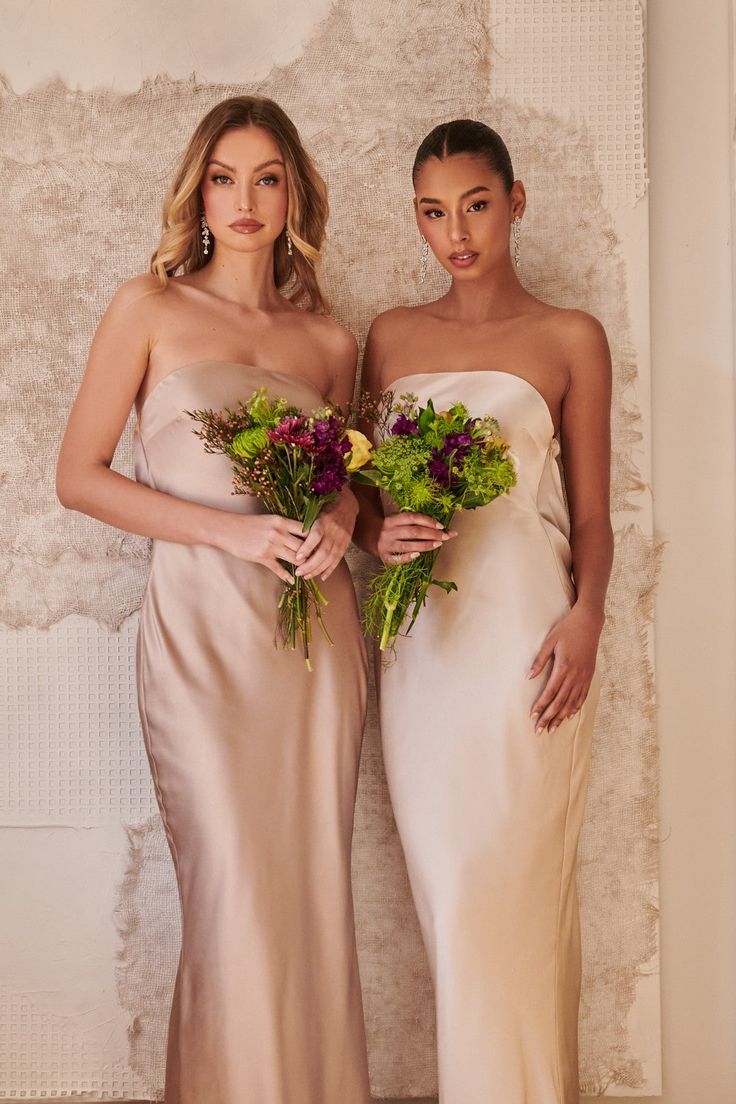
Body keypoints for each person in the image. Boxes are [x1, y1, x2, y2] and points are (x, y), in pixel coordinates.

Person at [56, 95, 371, 1104]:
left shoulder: (327, 339)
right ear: (199, 191)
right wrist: (229, 531)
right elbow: (79, 476)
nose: (244, 199)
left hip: (315, 644)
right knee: (231, 888)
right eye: (226, 177)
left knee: (310, 894)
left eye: (266, 178)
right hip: (200, 636)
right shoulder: (146, 307)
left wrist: (343, 521)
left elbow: (346, 481)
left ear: (293, 197)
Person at [354, 119, 613, 1103]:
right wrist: (380, 531)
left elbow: (590, 513)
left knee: (513, 887)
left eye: (473, 204)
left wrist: (586, 618)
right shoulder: (390, 336)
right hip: (423, 648)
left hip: (525, 640)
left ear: (514, 199)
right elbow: (367, 491)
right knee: (453, 896)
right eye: (432, 211)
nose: (455, 232)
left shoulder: (567, 337)